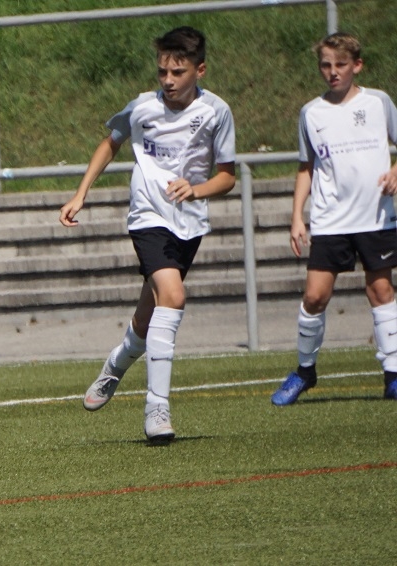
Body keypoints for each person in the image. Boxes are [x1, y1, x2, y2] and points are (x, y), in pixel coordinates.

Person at [59, 27, 236, 443]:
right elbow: (110, 143)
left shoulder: (216, 112)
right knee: (173, 296)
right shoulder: (142, 107)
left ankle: (117, 362)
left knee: (147, 315)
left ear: (200, 70)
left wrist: (196, 189)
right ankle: (157, 408)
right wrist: (81, 193)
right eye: (162, 72)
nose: (168, 80)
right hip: (147, 216)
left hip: (188, 222)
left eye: (178, 72)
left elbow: (227, 176)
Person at [271, 33, 397, 405]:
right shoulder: (311, 113)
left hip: (375, 216)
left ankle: (393, 374)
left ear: (357, 65)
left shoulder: (378, 102)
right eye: (326, 65)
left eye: (340, 64)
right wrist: (297, 216)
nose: (333, 72)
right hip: (330, 220)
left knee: (380, 291)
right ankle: (305, 371)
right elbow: (306, 167)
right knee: (315, 296)